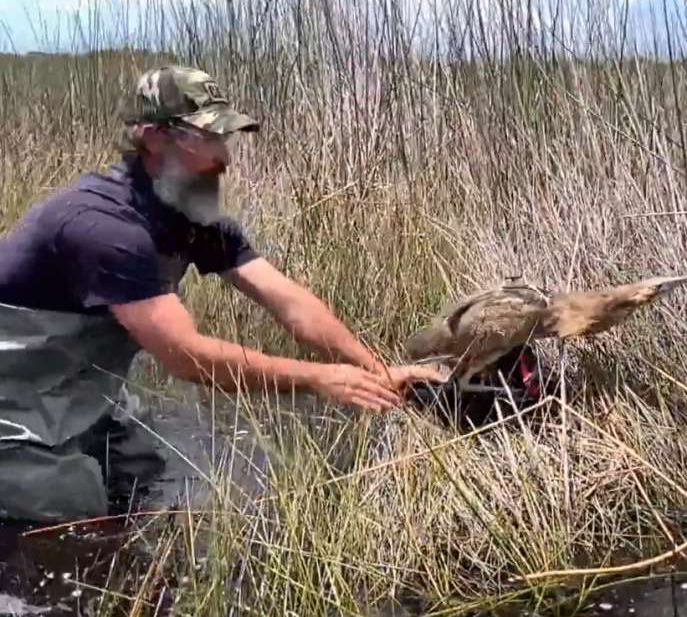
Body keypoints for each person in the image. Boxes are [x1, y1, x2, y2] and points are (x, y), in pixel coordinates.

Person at [0, 65, 446, 522]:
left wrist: (377, 370)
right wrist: (319, 378)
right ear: (154, 138)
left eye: (224, 138)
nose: (224, 157)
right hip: (10, 404)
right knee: (70, 517)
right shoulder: (103, 228)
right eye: (207, 139)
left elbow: (290, 303)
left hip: (79, 390)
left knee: (143, 471)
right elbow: (187, 358)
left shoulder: (192, 221)